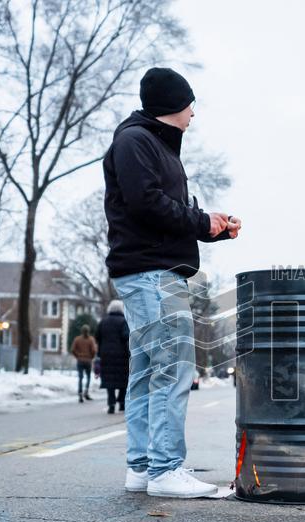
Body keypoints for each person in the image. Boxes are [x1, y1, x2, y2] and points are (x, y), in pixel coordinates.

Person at [103, 67, 241, 498]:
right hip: (152, 273)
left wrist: (207, 224)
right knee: (172, 369)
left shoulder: (151, 145)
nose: (193, 113)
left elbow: (159, 207)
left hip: (149, 270)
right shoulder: (136, 141)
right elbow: (146, 204)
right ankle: (166, 469)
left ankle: (143, 467)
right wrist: (199, 220)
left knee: (147, 372)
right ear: (170, 105)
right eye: (189, 104)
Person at [96, 300, 130, 415]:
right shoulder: (123, 322)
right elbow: (126, 337)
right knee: (123, 380)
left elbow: (97, 337)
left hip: (106, 356)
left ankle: (111, 404)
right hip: (122, 356)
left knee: (109, 381)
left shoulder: (103, 322)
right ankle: (122, 403)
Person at [70, 325, 97, 403]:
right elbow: (94, 350)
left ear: (81, 331)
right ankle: (86, 391)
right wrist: (91, 357)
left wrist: (77, 356)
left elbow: (72, 349)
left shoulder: (77, 339)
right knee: (88, 377)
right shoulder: (91, 339)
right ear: (88, 331)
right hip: (88, 360)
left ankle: (80, 393)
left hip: (80, 360)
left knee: (80, 377)